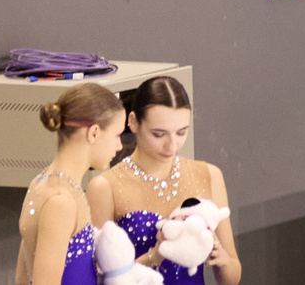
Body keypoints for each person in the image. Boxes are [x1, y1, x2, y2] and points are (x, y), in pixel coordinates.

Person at [88, 74, 241, 285]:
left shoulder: (209, 175)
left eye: (181, 133)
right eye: (159, 134)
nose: (172, 145)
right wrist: (154, 257)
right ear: (133, 122)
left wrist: (220, 258)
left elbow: (232, 277)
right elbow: (96, 278)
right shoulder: (106, 187)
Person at [16, 84, 127, 285]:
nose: (119, 146)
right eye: (117, 135)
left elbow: (21, 279)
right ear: (94, 133)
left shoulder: (43, 183)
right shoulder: (61, 202)